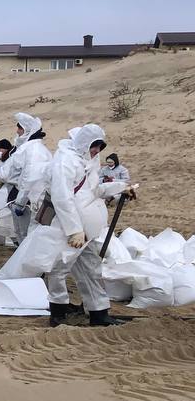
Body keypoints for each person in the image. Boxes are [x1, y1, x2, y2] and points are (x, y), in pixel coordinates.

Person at [45, 125, 136, 327]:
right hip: (72, 229)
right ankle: (58, 312)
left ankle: (99, 313)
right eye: (94, 146)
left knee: (91, 270)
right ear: (84, 143)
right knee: (59, 269)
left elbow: (93, 190)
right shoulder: (65, 161)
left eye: (99, 147)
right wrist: (74, 229)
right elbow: (62, 197)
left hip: (88, 230)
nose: (96, 151)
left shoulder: (88, 161)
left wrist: (121, 187)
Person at [10, 114, 52, 245]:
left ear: (27, 131)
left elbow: (30, 177)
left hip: (35, 200)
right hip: (34, 198)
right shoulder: (36, 148)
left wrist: (20, 202)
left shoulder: (33, 150)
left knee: (31, 236)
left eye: (20, 129)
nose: (17, 132)